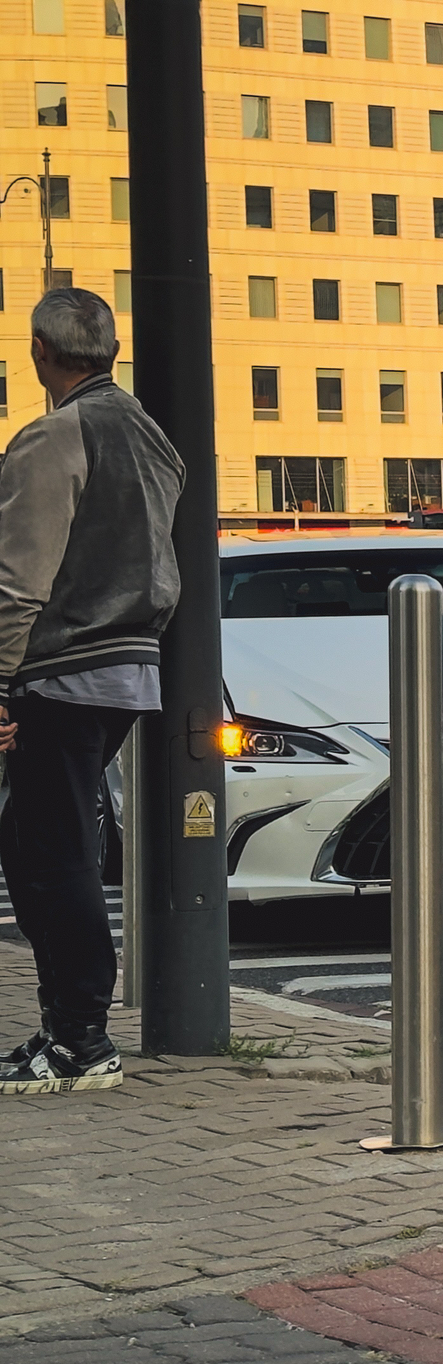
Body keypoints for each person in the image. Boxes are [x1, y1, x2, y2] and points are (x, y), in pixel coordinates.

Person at [0, 289, 183, 1096]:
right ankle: (73, 1030)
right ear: (110, 350)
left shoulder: (54, 436)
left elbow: (18, 581)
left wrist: (1, 686)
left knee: (50, 853)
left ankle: (78, 1038)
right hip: (130, 665)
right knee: (53, 843)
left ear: (40, 351)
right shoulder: (150, 436)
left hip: (61, 665)